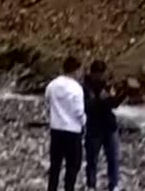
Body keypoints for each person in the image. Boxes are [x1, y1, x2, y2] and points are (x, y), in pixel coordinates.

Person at [45, 56, 86, 191]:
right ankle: (69, 188)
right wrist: (84, 122)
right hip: (73, 130)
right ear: (75, 70)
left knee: (55, 165)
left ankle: (52, 188)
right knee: (72, 165)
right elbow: (78, 111)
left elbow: (47, 101)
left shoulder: (52, 85)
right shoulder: (77, 88)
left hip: (56, 129)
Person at [83, 60, 122, 191]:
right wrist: (102, 100)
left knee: (113, 158)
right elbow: (88, 106)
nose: (100, 76)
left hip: (109, 126)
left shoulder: (108, 85)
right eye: (98, 73)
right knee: (92, 159)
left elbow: (114, 104)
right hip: (94, 126)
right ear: (92, 73)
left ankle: (114, 184)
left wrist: (121, 95)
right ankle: (91, 184)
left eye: (102, 73)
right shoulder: (86, 87)